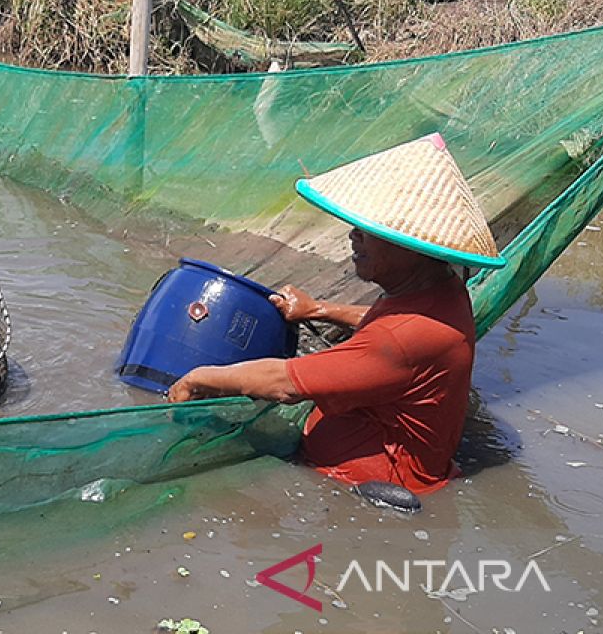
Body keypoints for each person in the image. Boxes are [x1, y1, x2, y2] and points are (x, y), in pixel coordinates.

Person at [167, 133, 507, 495]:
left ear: (413, 246)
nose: (353, 236)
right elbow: (388, 328)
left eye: (368, 230)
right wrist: (319, 310)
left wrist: (195, 379)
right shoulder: (441, 292)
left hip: (366, 490)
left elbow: (282, 384)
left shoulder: (402, 339)